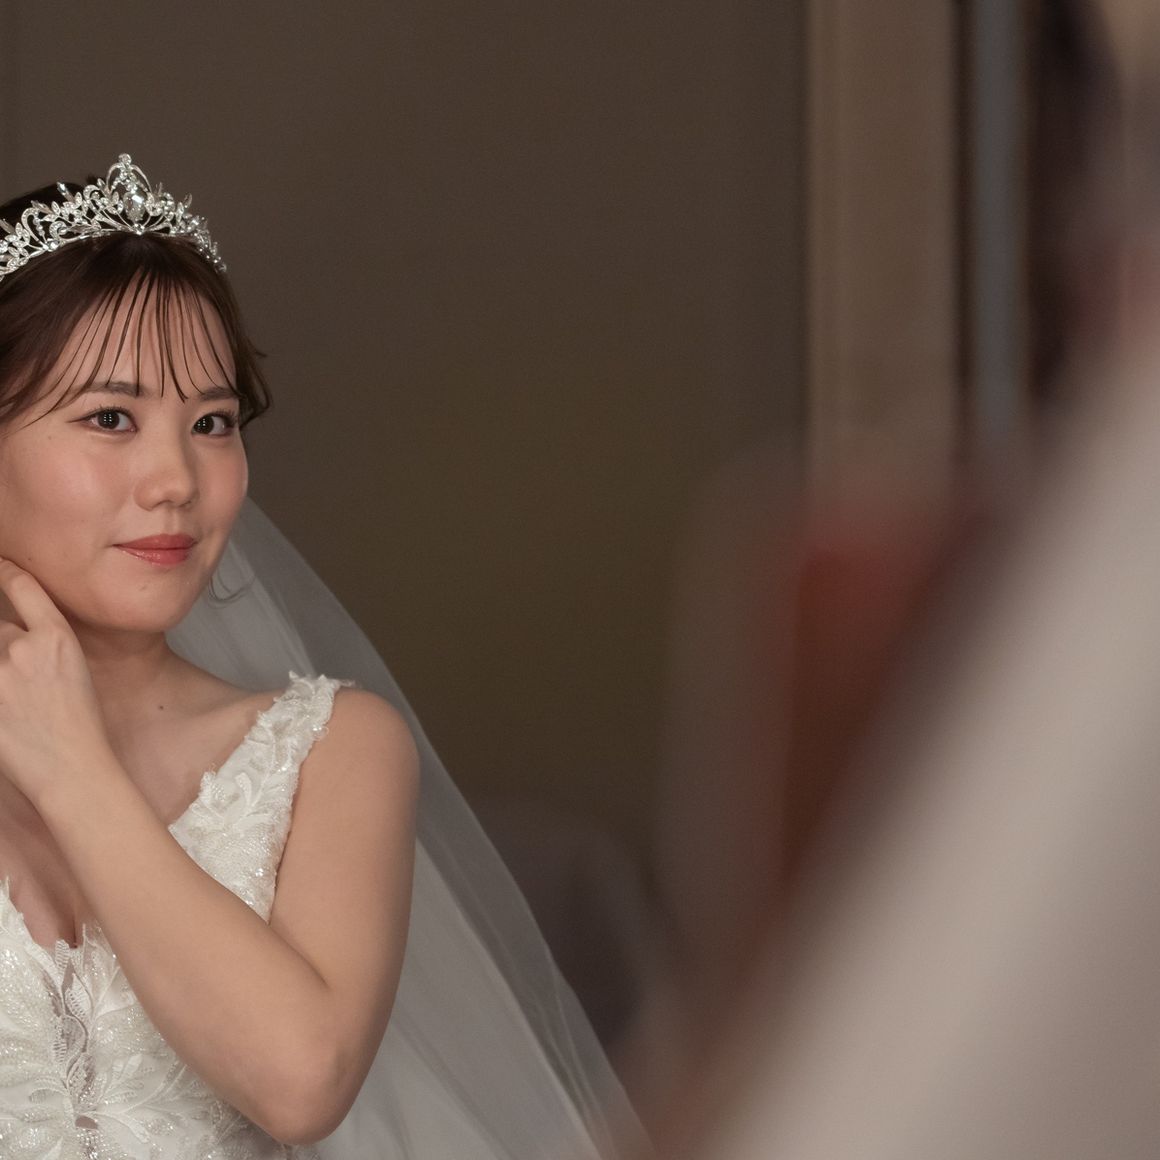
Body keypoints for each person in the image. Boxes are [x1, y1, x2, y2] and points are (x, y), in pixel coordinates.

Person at [0, 156, 639, 1159]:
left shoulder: (329, 750)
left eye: (212, 423)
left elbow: (302, 1081)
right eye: (110, 418)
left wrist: (70, 766)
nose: (177, 478)